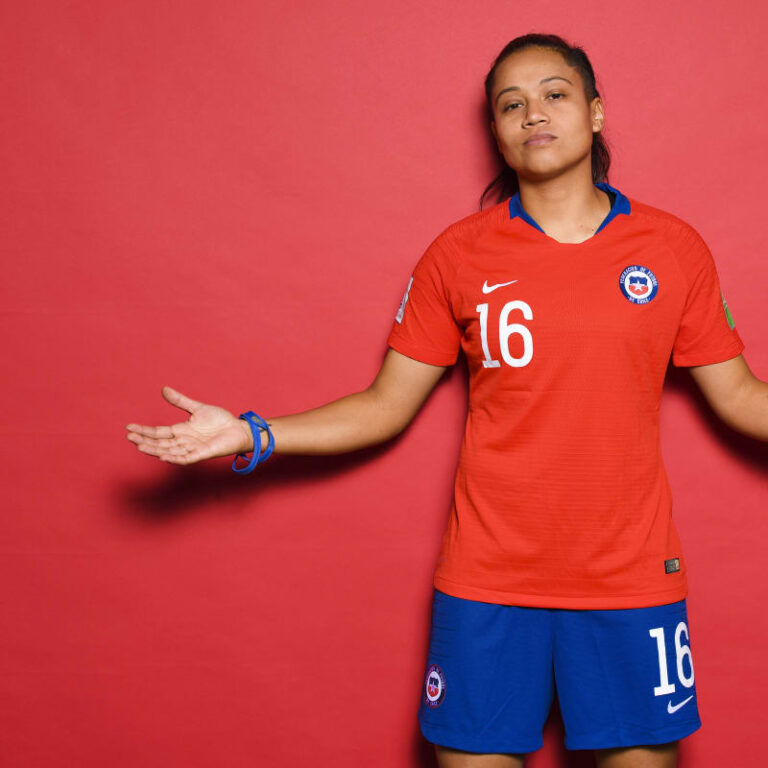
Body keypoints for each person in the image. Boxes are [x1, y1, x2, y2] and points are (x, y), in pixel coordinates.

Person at [125, 33, 768, 768]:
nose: (534, 114)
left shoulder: (672, 248)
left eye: (555, 95)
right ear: (495, 131)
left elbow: (740, 396)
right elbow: (383, 405)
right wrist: (252, 432)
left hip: (630, 580)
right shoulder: (457, 255)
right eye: (511, 105)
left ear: (595, 113)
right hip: (487, 581)